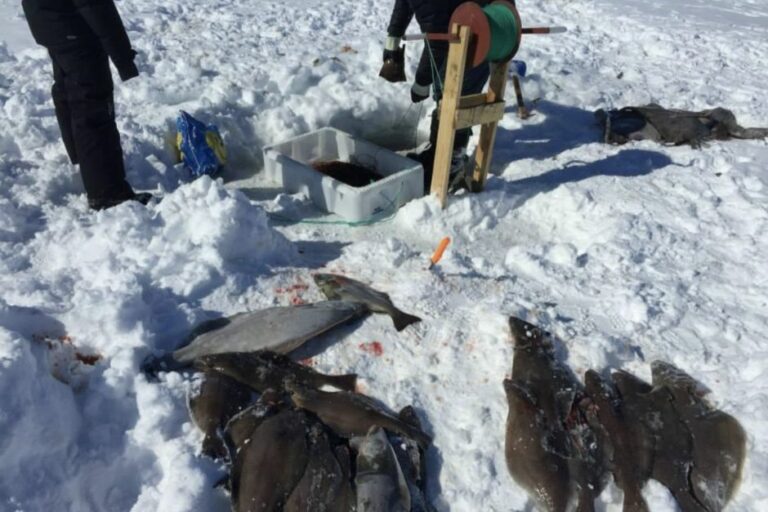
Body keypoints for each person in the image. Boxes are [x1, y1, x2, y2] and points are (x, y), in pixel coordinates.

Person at [21, 0, 152, 210]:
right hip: (74, 28)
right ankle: (108, 193)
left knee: (68, 91)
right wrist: (123, 58)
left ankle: (84, 159)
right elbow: (95, 5)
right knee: (93, 105)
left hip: (48, 21)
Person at [381, 0, 492, 190]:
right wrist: (393, 37)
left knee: (458, 96)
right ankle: (437, 152)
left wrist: (422, 83)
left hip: (483, 32)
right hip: (459, 25)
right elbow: (404, 4)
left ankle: (454, 161)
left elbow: (439, 41)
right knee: (443, 91)